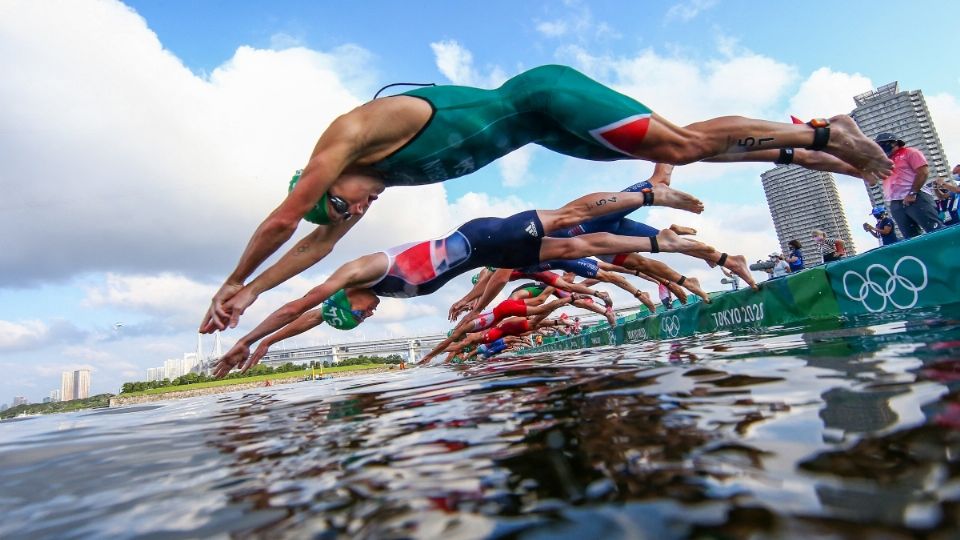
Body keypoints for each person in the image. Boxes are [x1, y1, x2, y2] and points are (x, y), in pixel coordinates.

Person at [201, 64, 893, 334]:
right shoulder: (375, 184)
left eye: (346, 205)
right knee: (678, 153)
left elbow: (290, 221)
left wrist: (234, 280)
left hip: (545, 96)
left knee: (676, 146)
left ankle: (830, 131)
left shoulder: (353, 134)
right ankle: (811, 152)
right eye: (352, 214)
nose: (360, 212)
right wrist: (253, 294)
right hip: (548, 132)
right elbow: (315, 242)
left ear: (325, 182)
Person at [212, 188, 721, 376]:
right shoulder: (368, 294)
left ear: (353, 298)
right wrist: (256, 348)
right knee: (578, 250)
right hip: (495, 256)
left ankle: (650, 194)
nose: (370, 314)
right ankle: (664, 243)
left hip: (481, 237)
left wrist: (242, 333)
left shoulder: (359, 272)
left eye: (360, 313)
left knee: (568, 222)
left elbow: (297, 302)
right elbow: (302, 320)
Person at [874, 132, 944, 238]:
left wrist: (913, 193)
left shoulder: (910, 152)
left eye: (882, 144)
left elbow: (923, 172)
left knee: (934, 229)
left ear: (893, 143)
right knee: (910, 237)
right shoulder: (887, 161)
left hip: (916, 197)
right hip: (896, 202)